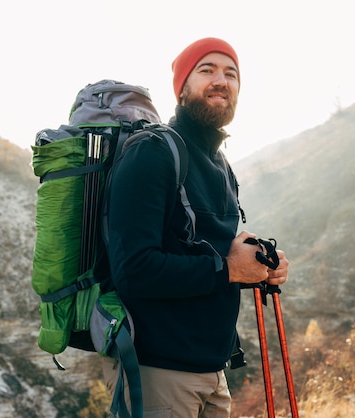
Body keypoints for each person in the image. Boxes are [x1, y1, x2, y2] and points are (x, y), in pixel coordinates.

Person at [102, 37, 290, 418]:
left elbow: (212, 254)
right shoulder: (153, 153)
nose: (221, 80)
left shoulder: (219, 163)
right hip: (158, 372)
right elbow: (134, 271)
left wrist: (260, 267)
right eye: (207, 70)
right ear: (183, 88)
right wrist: (229, 269)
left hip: (212, 370)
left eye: (231, 73)